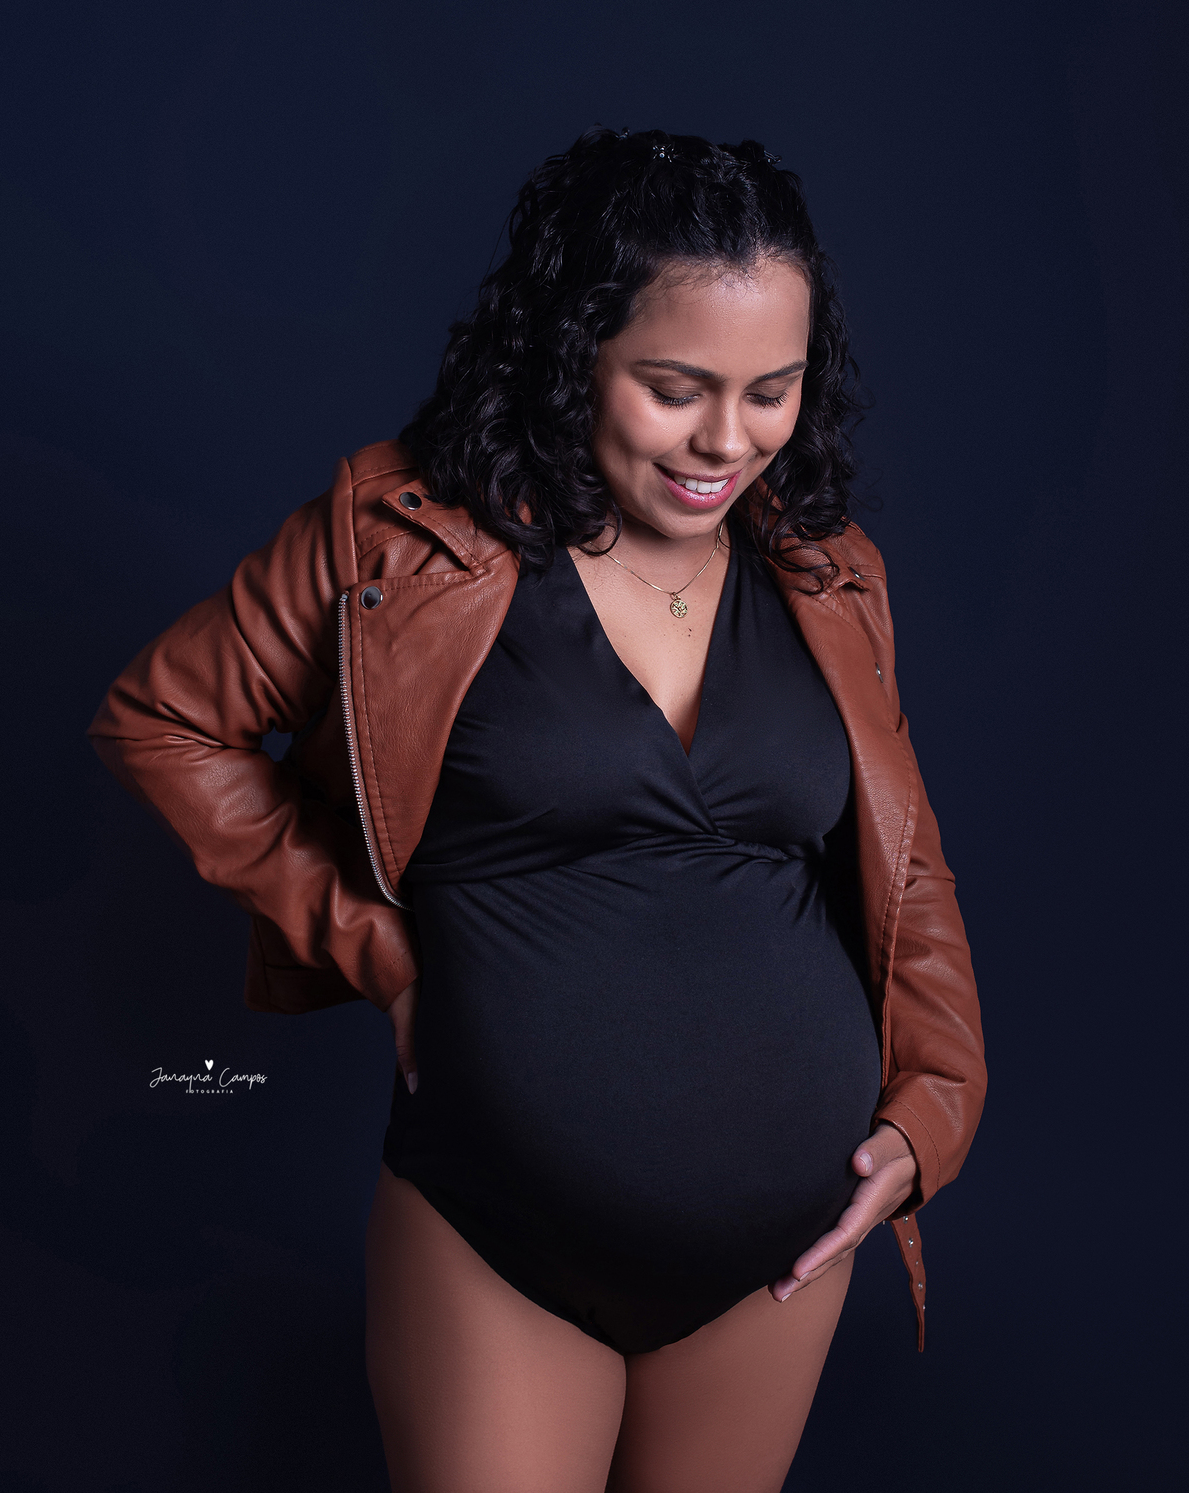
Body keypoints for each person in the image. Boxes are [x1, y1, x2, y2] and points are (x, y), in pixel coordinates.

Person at [89, 127, 986, 1493]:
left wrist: (932, 1114)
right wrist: (373, 949)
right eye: (675, 389)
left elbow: (905, 866)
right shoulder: (403, 541)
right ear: (573, 354)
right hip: (498, 1238)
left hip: (784, 1255)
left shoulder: (829, 574)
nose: (727, 441)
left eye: (772, 390)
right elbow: (163, 717)